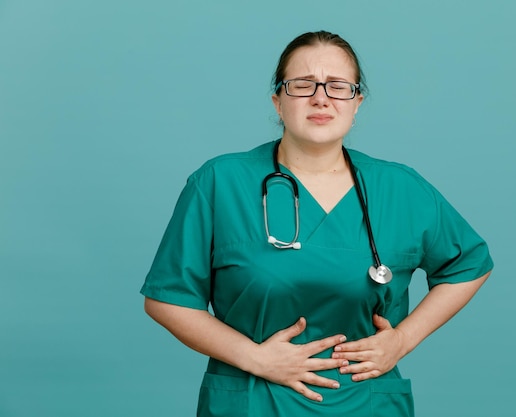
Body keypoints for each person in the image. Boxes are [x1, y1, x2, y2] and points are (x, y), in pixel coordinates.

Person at [140, 30, 493, 417]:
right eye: (303, 85)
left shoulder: (400, 189)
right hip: (256, 401)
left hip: (366, 404)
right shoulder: (219, 183)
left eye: (338, 86)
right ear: (278, 100)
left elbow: (469, 263)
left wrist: (403, 340)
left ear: (357, 102)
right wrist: (255, 358)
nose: (321, 97)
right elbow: (167, 298)